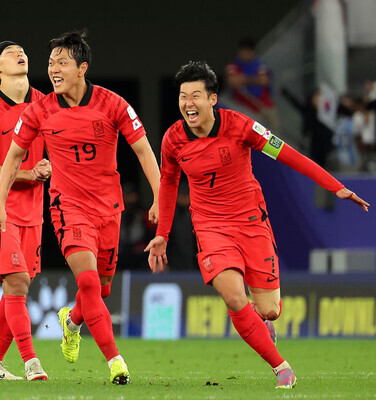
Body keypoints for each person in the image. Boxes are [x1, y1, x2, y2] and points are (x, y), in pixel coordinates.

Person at [145, 61, 369, 389]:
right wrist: (162, 234)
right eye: (182, 97)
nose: (187, 103)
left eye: (195, 96)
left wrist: (336, 185)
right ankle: (282, 369)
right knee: (234, 297)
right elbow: (167, 185)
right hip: (209, 227)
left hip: (251, 222)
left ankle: (260, 319)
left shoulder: (241, 127)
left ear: (212, 99)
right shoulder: (173, 140)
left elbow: (289, 154)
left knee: (270, 310)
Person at [0, 30, 161, 385]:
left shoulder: (113, 104)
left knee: (102, 286)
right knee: (87, 280)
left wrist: (160, 198)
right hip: (68, 207)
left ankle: (72, 321)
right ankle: (115, 361)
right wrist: (0, 204)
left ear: (82, 68)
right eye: (51, 63)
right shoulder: (40, 109)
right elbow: (12, 157)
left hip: (108, 209)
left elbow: (143, 150)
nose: (53, 69)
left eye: (62, 62)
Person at [0, 40, 51, 381]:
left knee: (17, 288)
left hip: (34, 210)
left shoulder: (46, 103)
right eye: (9, 53)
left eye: (22, 51)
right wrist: (30, 173)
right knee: (17, 281)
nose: (20, 55)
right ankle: (32, 362)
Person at [225, 39, 279, 132]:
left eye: (249, 51)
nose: (247, 53)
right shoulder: (234, 65)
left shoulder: (259, 64)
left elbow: (264, 80)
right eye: (244, 50)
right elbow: (233, 81)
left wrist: (244, 79)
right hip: (245, 108)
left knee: (274, 135)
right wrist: (254, 79)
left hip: (264, 106)